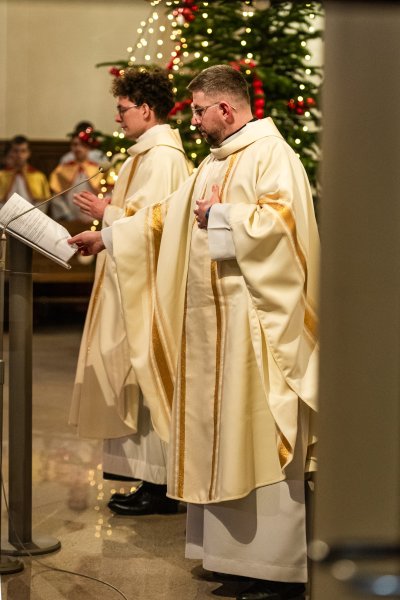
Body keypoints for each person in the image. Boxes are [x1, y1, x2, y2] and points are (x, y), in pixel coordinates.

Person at [69, 64, 319, 600]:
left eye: (201, 111)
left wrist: (225, 216)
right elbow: (163, 217)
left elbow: (285, 225)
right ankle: (232, 559)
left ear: (225, 108)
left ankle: (275, 571)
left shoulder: (272, 154)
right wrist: (107, 237)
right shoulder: (213, 161)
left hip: (254, 333)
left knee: (255, 441)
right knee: (216, 441)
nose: (196, 121)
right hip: (210, 333)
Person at [69, 66, 191, 515]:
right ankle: (150, 479)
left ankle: (161, 487)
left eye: (123, 109)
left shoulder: (162, 158)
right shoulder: (148, 153)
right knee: (132, 383)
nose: (117, 117)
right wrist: (109, 216)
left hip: (148, 291)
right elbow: (145, 217)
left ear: (146, 108)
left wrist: (107, 219)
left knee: (144, 380)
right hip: (130, 281)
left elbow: (157, 227)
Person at [0, 135, 50, 207]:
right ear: (10, 153)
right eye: (15, 151)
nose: (19, 155)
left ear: (28, 153)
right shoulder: (2, 175)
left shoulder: (38, 176)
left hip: (31, 212)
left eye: (23, 151)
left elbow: (43, 202)